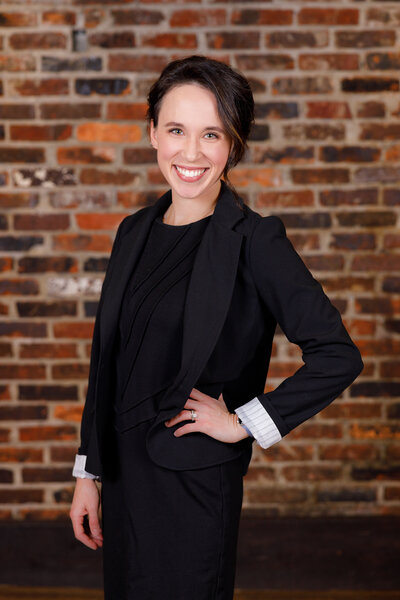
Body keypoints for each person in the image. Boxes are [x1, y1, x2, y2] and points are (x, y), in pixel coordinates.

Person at [70, 55, 363, 600]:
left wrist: (243, 423)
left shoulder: (255, 240)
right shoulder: (133, 232)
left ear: (234, 144)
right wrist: (88, 474)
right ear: (152, 131)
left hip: (194, 482)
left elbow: (337, 355)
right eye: (177, 130)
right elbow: (106, 359)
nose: (191, 152)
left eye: (213, 134)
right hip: (125, 478)